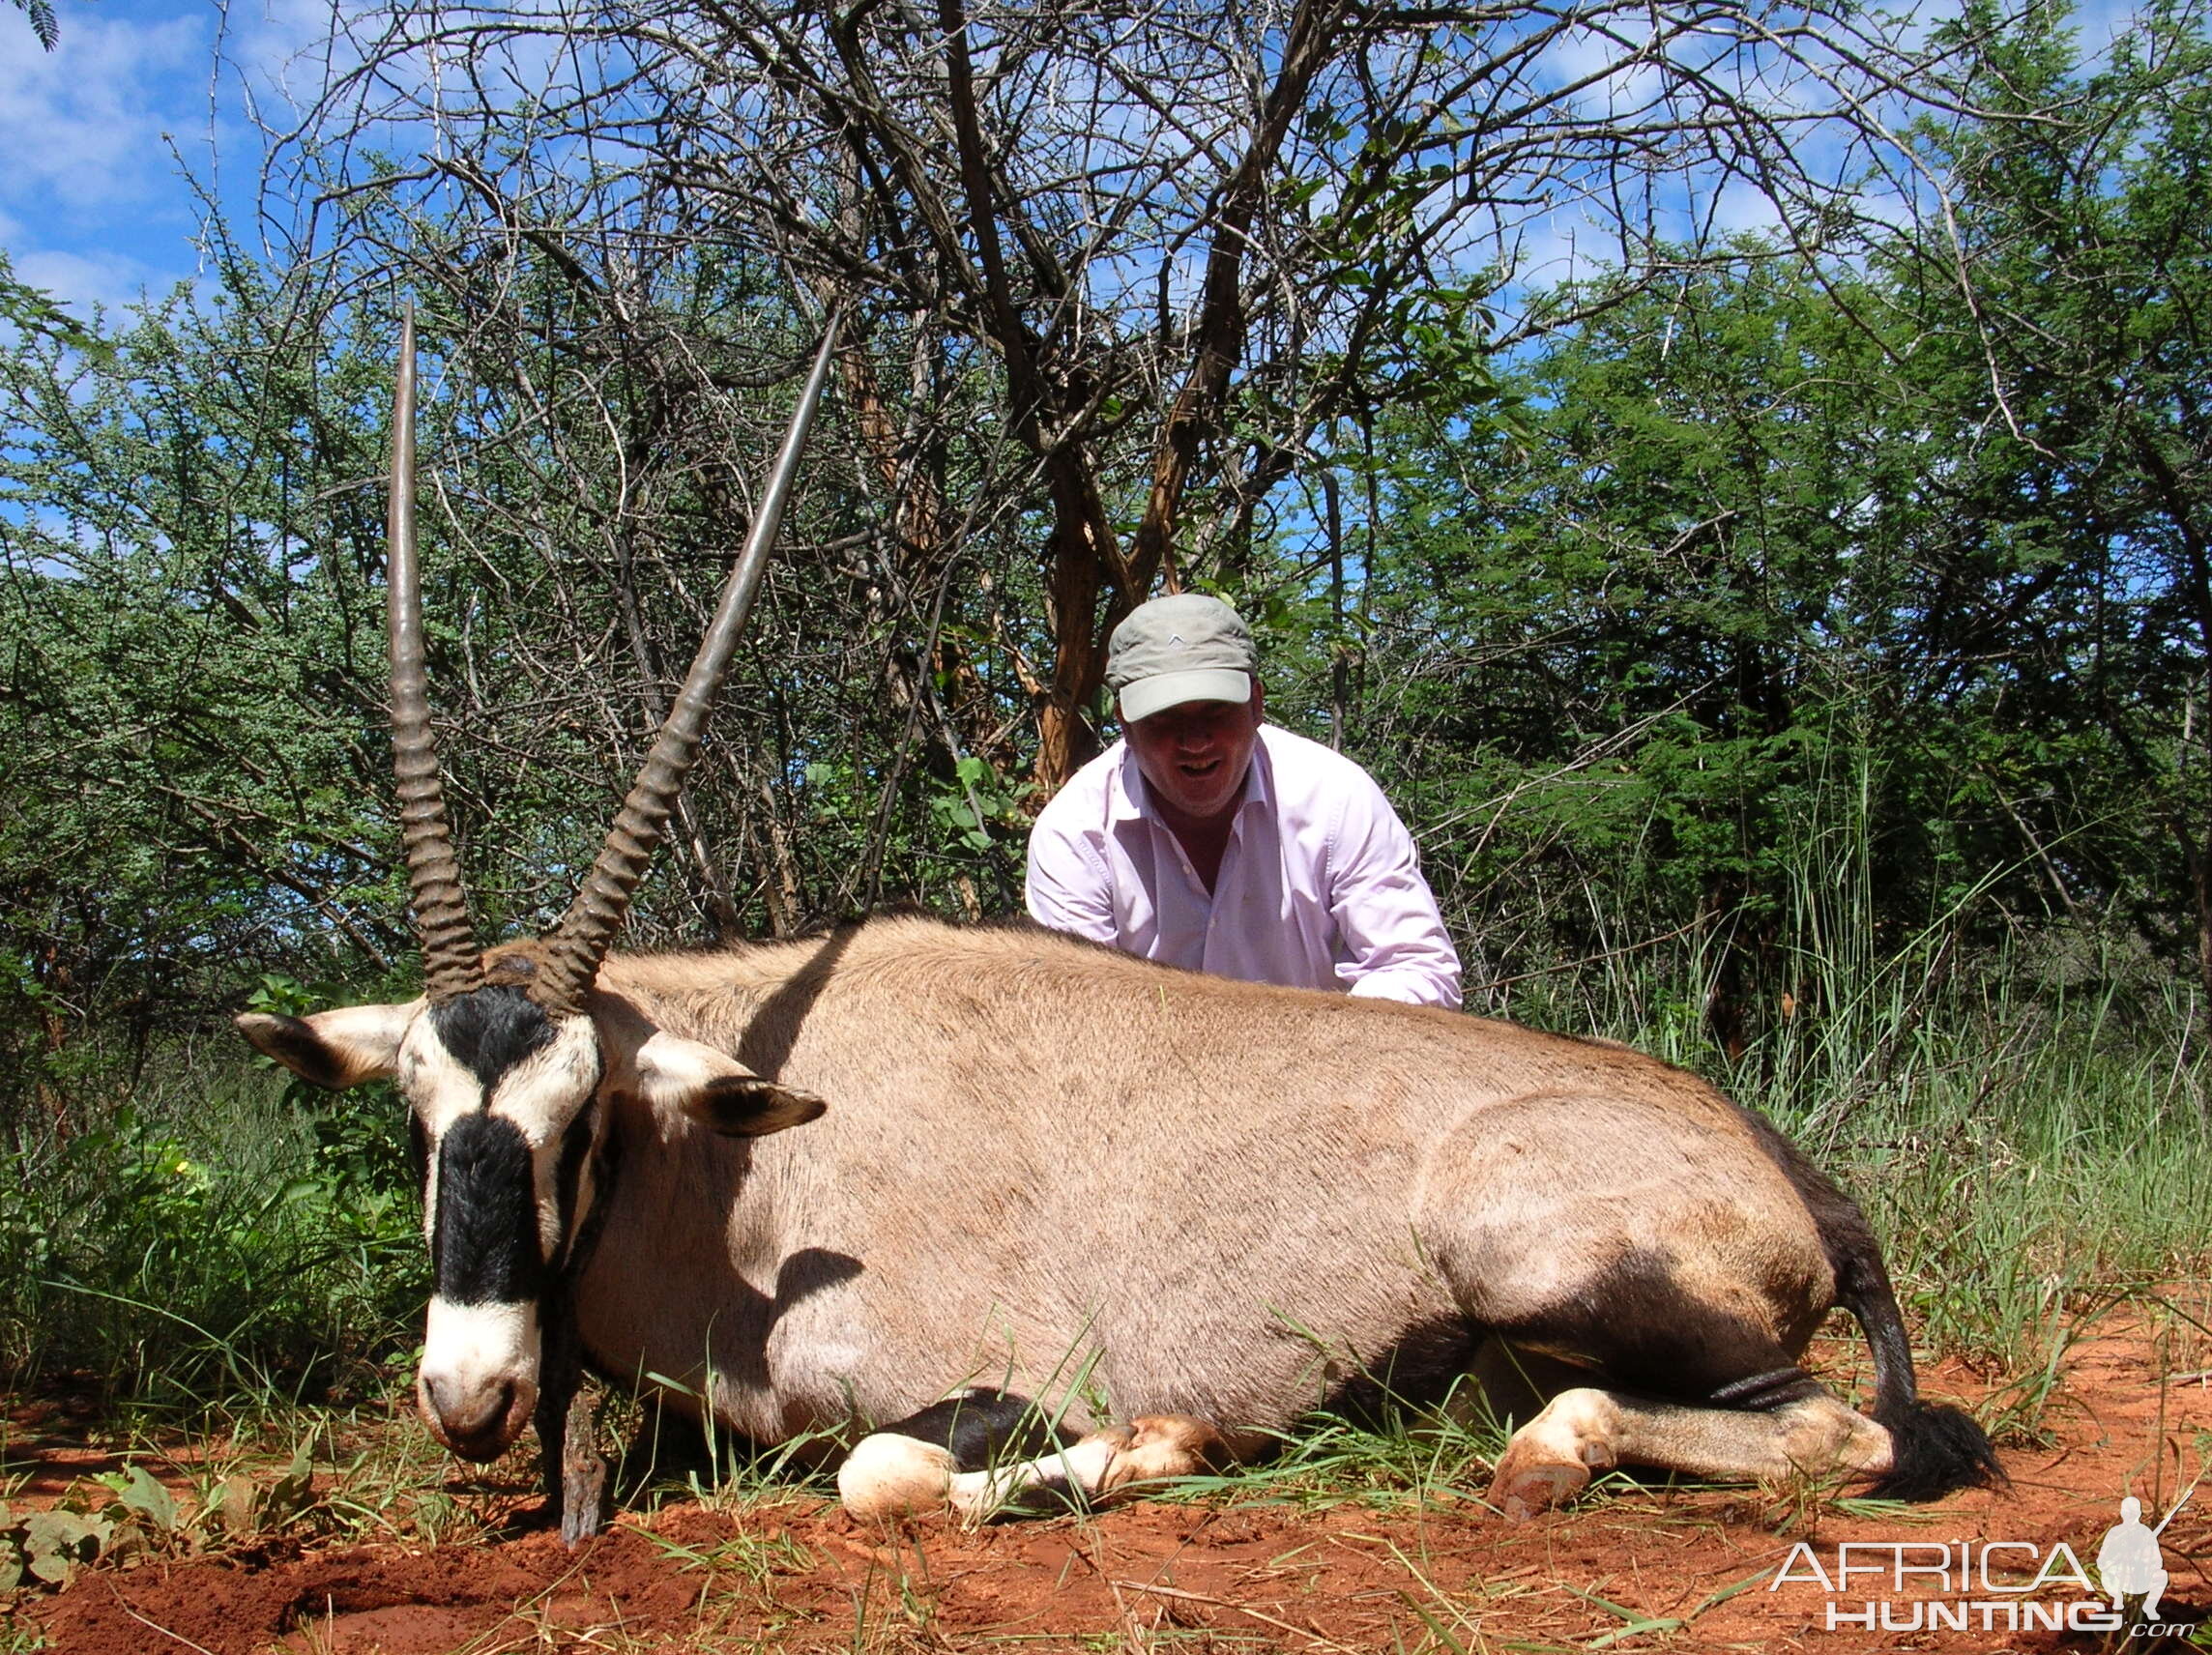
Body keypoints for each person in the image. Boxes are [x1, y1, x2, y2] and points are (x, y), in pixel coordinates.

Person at [1025, 593, 1462, 1007]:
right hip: (1146, 1073)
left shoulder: (1334, 797)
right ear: (1124, 722)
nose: (1195, 742)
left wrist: (1324, 1052)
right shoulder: (1073, 835)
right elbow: (1078, 1011)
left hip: (1324, 1068)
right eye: (1164, 717)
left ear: (1256, 704)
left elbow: (1417, 968)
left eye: (1215, 710)